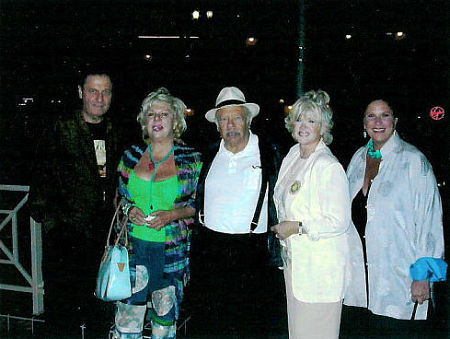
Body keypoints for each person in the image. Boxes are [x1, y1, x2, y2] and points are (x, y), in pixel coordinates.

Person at [343, 99, 445, 337]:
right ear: (364, 123)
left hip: (399, 280)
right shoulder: (358, 159)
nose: (378, 122)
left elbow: (430, 222)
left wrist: (423, 277)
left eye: (384, 115)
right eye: (371, 116)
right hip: (360, 284)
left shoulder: (413, 161)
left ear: (395, 121)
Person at [28, 70, 118, 333]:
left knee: (100, 309)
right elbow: (40, 180)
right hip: (64, 241)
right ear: (80, 93)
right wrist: (53, 224)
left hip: (102, 240)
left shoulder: (116, 131)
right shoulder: (59, 129)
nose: (99, 98)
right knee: (61, 312)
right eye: (93, 91)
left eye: (106, 91)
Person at [191, 86, 284, 336]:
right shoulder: (209, 152)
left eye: (236, 118)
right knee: (211, 326)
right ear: (217, 125)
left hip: (251, 253)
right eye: (223, 119)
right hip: (211, 250)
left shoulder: (268, 151)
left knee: (248, 328)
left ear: (247, 120)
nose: (230, 125)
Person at [113, 87, 202, 339]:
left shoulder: (192, 159)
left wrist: (172, 215)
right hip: (132, 250)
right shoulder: (131, 155)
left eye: (164, 114)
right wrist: (130, 210)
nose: (157, 120)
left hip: (170, 251)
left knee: (164, 319)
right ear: (144, 121)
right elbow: (120, 199)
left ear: (175, 121)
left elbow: (200, 206)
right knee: (127, 316)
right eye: (151, 114)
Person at [271, 90, 359, 339]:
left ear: (323, 127)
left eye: (311, 121)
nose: (303, 126)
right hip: (296, 265)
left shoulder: (328, 166)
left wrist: (296, 227)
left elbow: (339, 221)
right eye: (299, 119)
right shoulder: (293, 156)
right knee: (298, 333)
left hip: (320, 271)